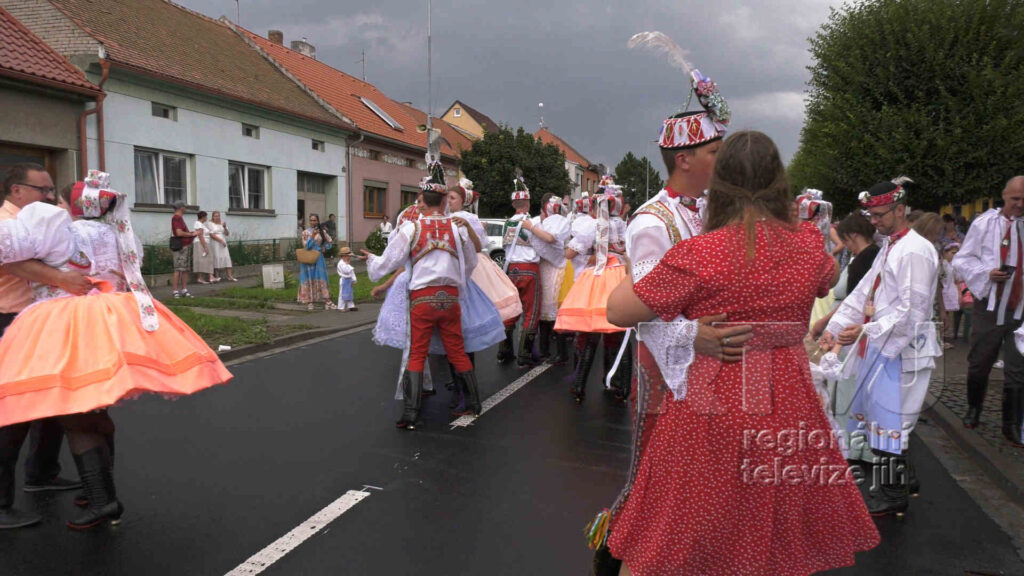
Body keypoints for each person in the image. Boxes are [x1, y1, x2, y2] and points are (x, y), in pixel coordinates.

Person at [605, 131, 877, 574]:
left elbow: (618, 311)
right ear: (779, 182)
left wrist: (641, 261)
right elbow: (827, 278)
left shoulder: (699, 254)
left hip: (712, 404)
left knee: (680, 526)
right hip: (789, 401)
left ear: (722, 184)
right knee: (770, 528)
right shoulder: (808, 246)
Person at [0, 172, 232, 529]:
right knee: (93, 407)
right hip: (109, 322)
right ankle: (92, 492)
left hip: (61, 324)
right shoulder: (120, 235)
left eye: (57, 197)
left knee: (72, 413)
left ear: (73, 206)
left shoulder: (57, 228)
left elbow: (7, 249)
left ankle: (100, 499)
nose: (51, 201)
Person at [822, 177, 940, 517]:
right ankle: (906, 482)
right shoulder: (891, 245)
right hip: (884, 345)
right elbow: (864, 293)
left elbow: (913, 310)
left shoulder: (914, 250)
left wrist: (865, 329)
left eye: (879, 215)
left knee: (890, 421)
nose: (873, 222)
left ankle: (893, 494)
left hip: (902, 349)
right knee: (885, 419)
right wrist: (835, 326)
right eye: (870, 215)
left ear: (900, 210)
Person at [0, 164, 88, 530]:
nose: (51, 197)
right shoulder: (6, 223)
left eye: (53, 190)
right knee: (13, 413)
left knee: (52, 401)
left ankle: (41, 472)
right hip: (9, 320)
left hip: (39, 320)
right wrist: (63, 280)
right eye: (43, 190)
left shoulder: (39, 221)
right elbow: (14, 262)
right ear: (16, 190)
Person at [362, 160, 481, 429]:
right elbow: (471, 263)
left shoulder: (411, 228)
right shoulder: (457, 228)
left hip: (423, 299)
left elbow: (390, 262)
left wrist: (372, 261)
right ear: (444, 201)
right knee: (457, 351)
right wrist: (456, 282)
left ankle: (411, 413)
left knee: (417, 352)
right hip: (450, 298)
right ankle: (474, 403)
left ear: (423, 202)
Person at [952, 176, 1024, 440]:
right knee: (980, 360)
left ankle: (1011, 423)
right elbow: (963, 259)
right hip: (989, 305)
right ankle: (974, 408)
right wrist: (986, 274)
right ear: (1004, 195)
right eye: (1015, 199)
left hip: (1021, 309)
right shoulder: (984, 224)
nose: (1020, 204)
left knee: (1018, 367)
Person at [499, 171, 558, 367]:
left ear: (513, 204)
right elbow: (548, 242)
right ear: (528, 203)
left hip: (511, 269)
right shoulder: (533, 223)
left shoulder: (506, 223)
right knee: (531, 312)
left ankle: (504, 351)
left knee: (512, 309)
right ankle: (524, 355)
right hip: (529, 269)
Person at [536, 193, 572, 363]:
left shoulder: (557, 223)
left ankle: (560, 353)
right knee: (546, 311)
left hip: (556, 268)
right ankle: (546, 350)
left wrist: (531, 228)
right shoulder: (553, 222)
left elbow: (551, 239)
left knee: (555, 311)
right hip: (549, 267)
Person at [298, 213, 336, 311]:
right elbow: (306, 246)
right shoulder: (305, 232)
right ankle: (310, 302)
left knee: (321, 277)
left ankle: (327, 301)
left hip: (318, 257)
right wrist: (312, 236)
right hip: (308, 258)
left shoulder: (322, 231)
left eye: (314, 220)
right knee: (309, 278)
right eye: (311, 220)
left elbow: (330, 241)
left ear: (318, 221)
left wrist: (325, 248)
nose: (312, 222)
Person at [171, 201, 197, 298]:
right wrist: (191, 234)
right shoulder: (176, 218)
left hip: (185, 245)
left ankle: (184, 290)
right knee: (178, 269)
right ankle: (175, 291)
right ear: (181, 208)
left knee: (185, 269)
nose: (185, 208)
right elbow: (179, 233)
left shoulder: (179, 218)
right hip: (180, 246)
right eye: (184, 207)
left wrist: (192, 234)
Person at [207, 211, 236, 282]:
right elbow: (211, 234)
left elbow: (227, 234)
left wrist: (225, 227)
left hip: (223, 241)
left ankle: (229, 276)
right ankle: (217, 276)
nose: (217, 217)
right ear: (213, 217)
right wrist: (221, 240)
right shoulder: (210, 223)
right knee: (216, 257)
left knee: (226, 256)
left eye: (218, 216)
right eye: (215, 216)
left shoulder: (222, 223)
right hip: (215, 242)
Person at [192, 211, 215, 284]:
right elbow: (200, 235)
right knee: (201, 260)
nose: (206, 218)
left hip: (205, 242)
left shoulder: (202, 224)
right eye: (206, 217)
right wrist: (205, 246)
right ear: (203, 217)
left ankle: (211, 277)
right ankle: (200, 278)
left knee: (208, 259)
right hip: (200, 243)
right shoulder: (198, 223)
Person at [336, 246, 357, 311]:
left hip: (349, 280)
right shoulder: (341, 264)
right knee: (342, 294)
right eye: (348, 256)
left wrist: (354, 280)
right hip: (344, 280)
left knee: (349, 293)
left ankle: (351, 306)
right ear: (343, 256)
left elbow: (351, 273)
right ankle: (341, 307)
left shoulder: (346, 263)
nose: (349, 257)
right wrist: (347, 264)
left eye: (349, 256)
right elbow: (347, 271)